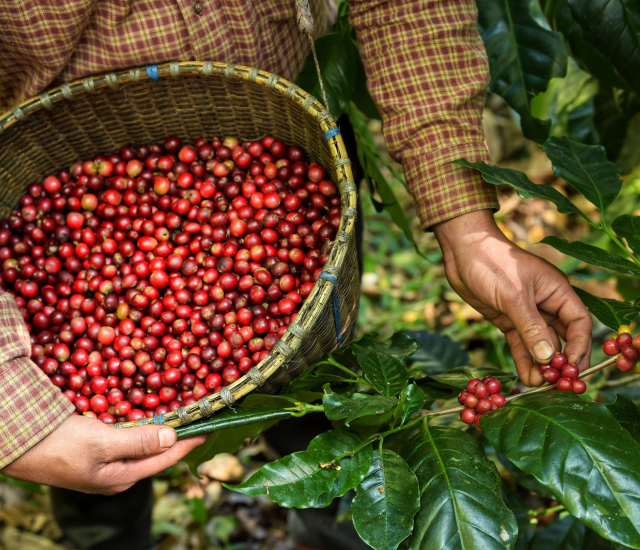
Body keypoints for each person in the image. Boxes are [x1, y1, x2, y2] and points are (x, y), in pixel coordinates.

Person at [0, 0, 592, 546]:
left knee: (323, 408)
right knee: (95, 481)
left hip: (287, 126)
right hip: (61, 151)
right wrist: (13, 410)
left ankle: (331, 525)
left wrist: (467, 223)